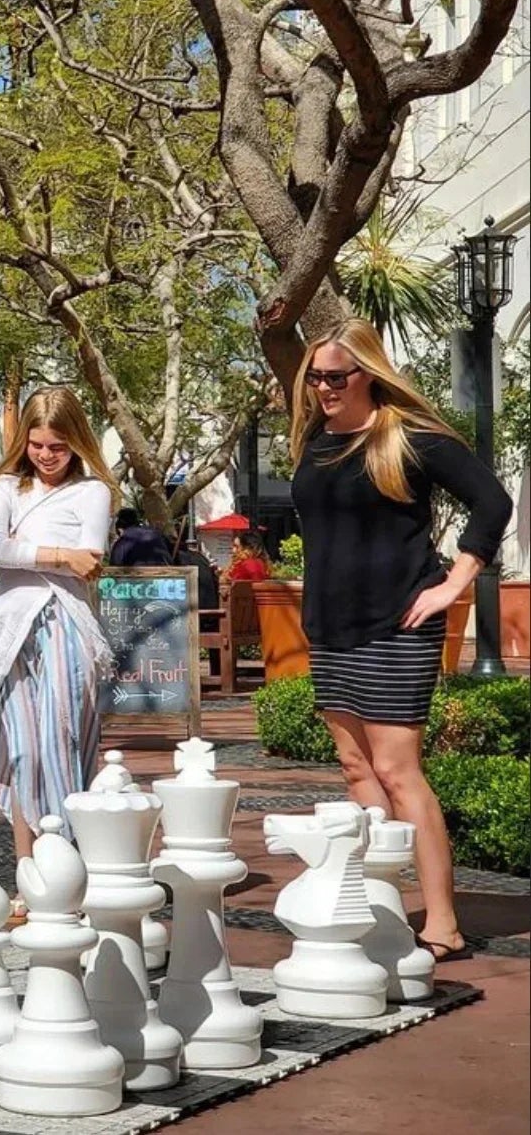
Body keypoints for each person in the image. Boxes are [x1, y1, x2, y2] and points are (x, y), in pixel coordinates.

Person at [291, 318, 511, 963]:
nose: (325, 387)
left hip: (399, 623)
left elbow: (492, 503)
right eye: (316, 377)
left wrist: (455, 582)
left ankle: (442, 921)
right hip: (330, 624)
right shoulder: (313, 437)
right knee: (357, 768)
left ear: (368, 373)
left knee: (396, 769)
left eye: (337, 376)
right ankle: (384, 904)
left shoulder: (410, 437)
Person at [0, 386, 119, 872]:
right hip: (14, 630)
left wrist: (28, 551)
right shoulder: (7, 487)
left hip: (66, 626)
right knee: (23, 751)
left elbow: (90, 560)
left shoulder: (93, 490)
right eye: (37, 445)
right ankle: (29, 870)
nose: (47, 455)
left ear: (76, 440)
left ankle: (71, 865)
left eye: (57, 446)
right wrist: (58, 554)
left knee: (65, 744)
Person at [108, 506, 174, 566]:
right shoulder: (157, 534)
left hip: (137, 577)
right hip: (166, 575)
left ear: (120, 529)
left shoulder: (123, 542)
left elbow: (115, 566)